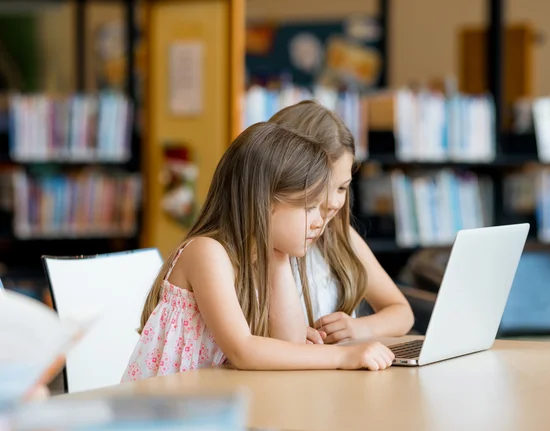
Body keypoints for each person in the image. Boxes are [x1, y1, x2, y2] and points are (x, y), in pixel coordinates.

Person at [122, 122, 394, 382]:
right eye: (309, 207)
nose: (320, 221)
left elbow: (290, 342)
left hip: (216, 402)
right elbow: (243, 350)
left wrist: (279, 255)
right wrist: (342, 355)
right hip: (167, 412)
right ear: (263, 203)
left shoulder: (267, 257)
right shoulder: (208, 252)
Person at [269, 101, 415, 345]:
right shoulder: (249, 250)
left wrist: (360, 328)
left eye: (342, 188)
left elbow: (402, 313)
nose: (333, 202)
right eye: (321, 189)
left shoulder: (339, 236)